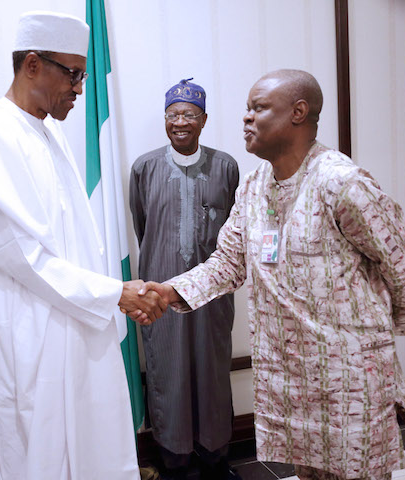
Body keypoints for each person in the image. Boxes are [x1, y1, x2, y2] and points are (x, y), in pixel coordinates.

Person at [137, 69, 405, 480]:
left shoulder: (341, 183)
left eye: (258, 108)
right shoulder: (253, 187)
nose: (246, 118)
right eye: (246, 109)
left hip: (348, 382)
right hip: (291, 382)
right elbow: (228, 262)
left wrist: (384, 334)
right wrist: (167, 292)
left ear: (298, 113)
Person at [0, 11, 165, 480]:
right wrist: (113, 293)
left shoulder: (48, 135)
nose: (78, 88)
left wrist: (109, 292)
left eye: (82, 75)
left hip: (70, 324)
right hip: (26, 342)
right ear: (32, 64)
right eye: (72, 74)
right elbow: (21, 257)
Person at [129, 79, 240, 480]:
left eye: (189, 115)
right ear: (164, 120)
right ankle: (174, 459)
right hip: (160, 290)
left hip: (213, 296)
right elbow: (144, 226)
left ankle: (215, 457)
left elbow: (235, 232)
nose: (180, 122)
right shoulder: (144, 167)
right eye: (173, 115)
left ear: (204, 120)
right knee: (168, 373)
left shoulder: (226, 166)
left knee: (212, 372)